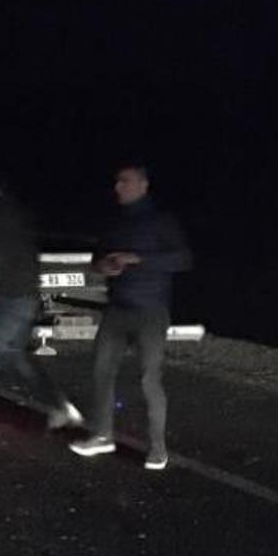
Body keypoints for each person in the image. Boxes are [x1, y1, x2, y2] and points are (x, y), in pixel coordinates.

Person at [69, 163, 192, 471]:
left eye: (124, 182)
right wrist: (104, 267)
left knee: (149, 378)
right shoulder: (114, 221)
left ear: (143, 185)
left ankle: (158, 448)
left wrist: (136, 258)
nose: (118, 187)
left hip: (150, 311)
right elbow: (97, 260)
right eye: (117, 182)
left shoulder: (161, 220)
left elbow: (182, 259)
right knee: (101, 371)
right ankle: (101, 435)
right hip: (117, 309)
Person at [0, 175, 82, 432]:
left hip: (14, 298)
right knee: (18, 357)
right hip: (25, 297)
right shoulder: (17, 216)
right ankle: (61, 406)